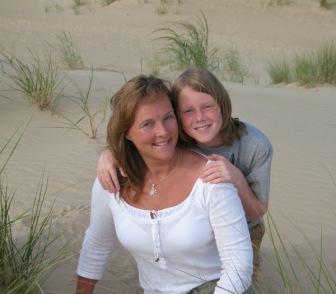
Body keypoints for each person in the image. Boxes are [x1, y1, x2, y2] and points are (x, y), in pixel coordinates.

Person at [54, 75, 253, 294]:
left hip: (222, 290)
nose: (163, 132)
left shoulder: (210, 178)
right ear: (126, 134)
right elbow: (97, 243)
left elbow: (239, 264)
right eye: (147, 124)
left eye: (168, 118)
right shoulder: (111, 182)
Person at [97, 68, 273, 279]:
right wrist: (109, 154)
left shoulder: (254, 145)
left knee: (240, 289)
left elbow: (257, 211)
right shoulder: (176, 136)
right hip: (194, 229)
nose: (199, 118)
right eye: (187, 111)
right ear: (176, 115)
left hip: (245, 230)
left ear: (222, 105)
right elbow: (137, 140)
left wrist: (236, 178)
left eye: (208, 107)